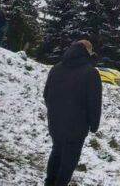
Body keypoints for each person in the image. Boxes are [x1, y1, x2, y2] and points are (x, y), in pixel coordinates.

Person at [43, 40, 102, 186]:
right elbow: (94, 102)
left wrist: (54, 111)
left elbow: (46, 94)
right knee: (68, 161)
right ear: (87, 51)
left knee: (56, 153)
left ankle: (49, 182)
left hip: (55, 122)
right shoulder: (91, 72)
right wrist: (94, 125)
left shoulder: (56, 68)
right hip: (77, 125)